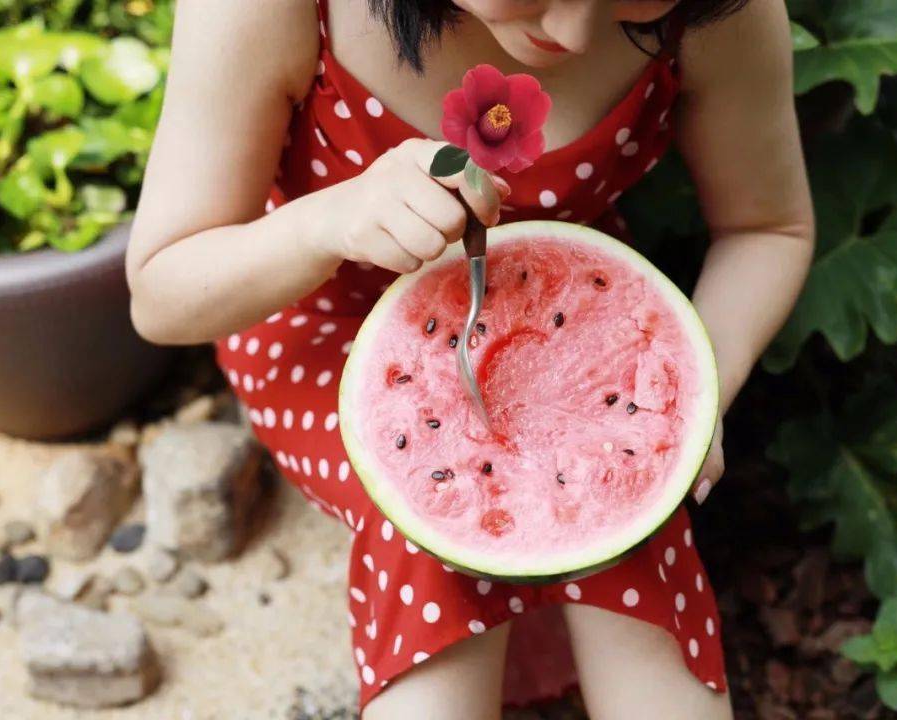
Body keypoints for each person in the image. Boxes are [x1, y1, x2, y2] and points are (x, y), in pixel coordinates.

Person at [127, 1, 814, 717]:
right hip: (324, 324)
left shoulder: (714, 9)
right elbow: (160, 294)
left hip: (565, 331)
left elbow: (769, 227)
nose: (574, 33)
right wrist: (324, 223)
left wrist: (687, 399)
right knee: (420, 534)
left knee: (627, 507)